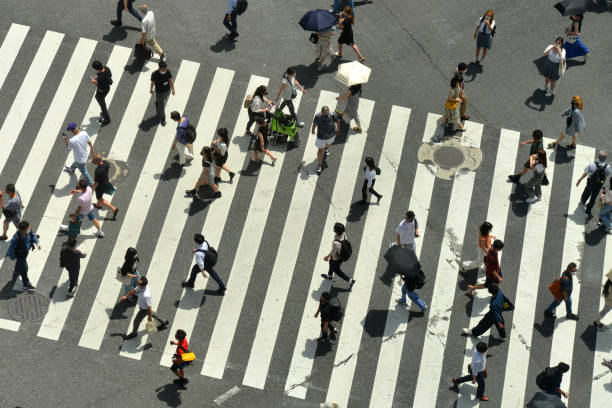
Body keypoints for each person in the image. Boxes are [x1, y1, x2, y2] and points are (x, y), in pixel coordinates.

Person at [575, 150, 611, 218]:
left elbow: (585, 173)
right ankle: (588, 209)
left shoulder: (593, 164)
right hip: (598, 185)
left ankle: (583, 200)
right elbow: (608, 174)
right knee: (593, 198)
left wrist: (579, 180)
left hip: (590, 183)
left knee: (586, 191)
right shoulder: (608, 167)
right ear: (605, 158)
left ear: (598, 156)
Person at [7, 221, 39, 293]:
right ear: (23, 230)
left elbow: (33, 235)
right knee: (24, 269)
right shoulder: (15, 239)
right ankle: (26, 284)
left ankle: (16, 271)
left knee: (20, 265)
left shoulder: (28, 232)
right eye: (28, 228)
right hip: (20, 255)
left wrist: (37, 242)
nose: (29, 229)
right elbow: (11, 249)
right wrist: (12, 257)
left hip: (25, 252)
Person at [321, 222, 356, 289]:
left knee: (337, 270)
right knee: (331, 263)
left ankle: (350, 280)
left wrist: (326, 257)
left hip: (336, 258)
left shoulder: (336, 243)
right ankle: (329, 275)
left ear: (336, 231)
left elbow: (333, 253)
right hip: (341, 256)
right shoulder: (344, 234)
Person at [312, 106, 340, 174]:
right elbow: (315, 123)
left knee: (328, 144)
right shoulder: (318, 116)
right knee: (320, 150)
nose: (326, 115)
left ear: (329, 111)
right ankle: (319, 165)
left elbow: (337, 121)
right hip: (321, 137)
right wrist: (313, 130)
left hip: (331, 135)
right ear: (321, 112)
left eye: (327, 113)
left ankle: (326, 148)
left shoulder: (333, 115)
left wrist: (338, 129)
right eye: (324, 114)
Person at [91, 154, 119, 219]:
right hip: (106, 182)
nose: (92, 160)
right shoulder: (106, 163)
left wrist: (92, 188)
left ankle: (113, 208)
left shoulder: (98, 171)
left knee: (100, 198)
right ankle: (98, 205)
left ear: (98, 161)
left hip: (100, 186)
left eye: (94, 160)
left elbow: (96, 183)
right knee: (99, 196)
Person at [150, 60, 175, 126]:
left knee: (163, 99)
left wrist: (173, 89)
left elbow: (171, 80)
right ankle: (163, 118)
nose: (165, 70)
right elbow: (152, 82)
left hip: (167, 90)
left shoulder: (168, 72)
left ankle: (158, 102)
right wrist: (151, 89)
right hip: (159, 92)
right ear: (159, 68)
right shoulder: (155, 74)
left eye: (165, 68)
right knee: (161, 106)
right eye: (163, 69)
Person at [91, 60, 112, 126]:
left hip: (102, 91)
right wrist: (98, 77)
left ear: (96, 69)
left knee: (102, 105)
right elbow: (109, 75)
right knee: (101, 102)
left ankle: (107, 119)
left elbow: (100, 90)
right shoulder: (106, 68)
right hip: (107, 87)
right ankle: (103, 113)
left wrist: (95, 82)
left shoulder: (100, 79)